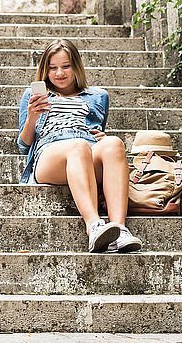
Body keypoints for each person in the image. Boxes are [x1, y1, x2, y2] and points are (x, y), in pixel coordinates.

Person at [18, 38, 143, 254]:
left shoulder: (98, 96)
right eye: (53, 68)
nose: (59, 73)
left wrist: (101, 137)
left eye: (66, 66)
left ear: (76, 66)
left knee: (113, 143)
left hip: (85, 148)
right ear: (44, 70)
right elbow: (23, 145)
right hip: (50, 154)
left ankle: (120, 230)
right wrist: (31, 117)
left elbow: (96, 130)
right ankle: (94, 226)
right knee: (78, 146)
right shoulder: (32, 95)